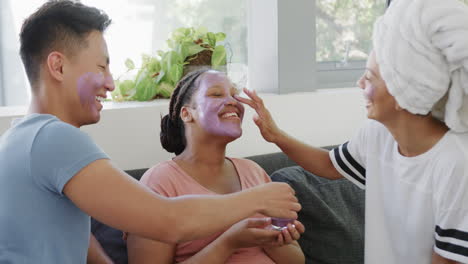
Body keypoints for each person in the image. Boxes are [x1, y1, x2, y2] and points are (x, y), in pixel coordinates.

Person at [0, 1, 301, 263]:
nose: (111, 83)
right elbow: (168, 220)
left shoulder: (21, 138)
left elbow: (68, 227)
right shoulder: (55, 139)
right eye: (101, 67)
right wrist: (257, 200)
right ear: (58, 66)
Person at [235, 0, 468, 263]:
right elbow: (330, 165)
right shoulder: (378, 135)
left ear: (405, 90)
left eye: (369, 77)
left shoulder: (457, 163)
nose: (359, 84)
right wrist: (275, 134)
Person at [126, 69, 305, 264]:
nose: (233, 101)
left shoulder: (253, 171)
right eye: (216, 94)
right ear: (187, 113)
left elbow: (296, 260)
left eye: (234, 94)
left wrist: (271, 239)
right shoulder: (160, 181)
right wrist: (229, 242)